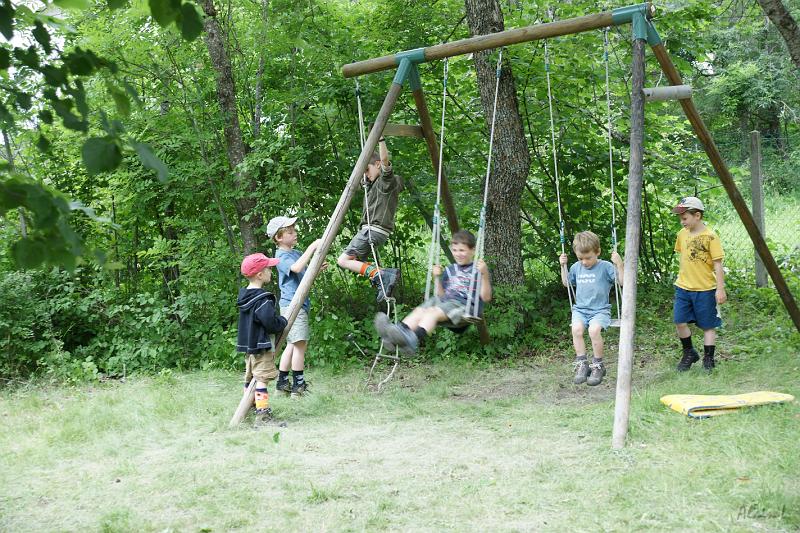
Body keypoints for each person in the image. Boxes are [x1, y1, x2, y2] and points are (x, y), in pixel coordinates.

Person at [374, 230, 492, 355]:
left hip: (463, 307)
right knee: (422, 310)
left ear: (473, 250)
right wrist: (436, 278)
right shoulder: (450, 269)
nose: (458, 254)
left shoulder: (478, 269)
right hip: (446, 304)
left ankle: (411, 340)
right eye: (455, 250)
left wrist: (484, 274)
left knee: (432, 311)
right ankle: (395, 334)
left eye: (462, 250)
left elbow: (486, 297)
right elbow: (442, 295)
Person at [337, 136, 403, 303]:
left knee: (343, 260)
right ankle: (384, 277)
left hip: (372, 230)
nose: (365, 175)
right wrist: (364, 175)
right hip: (377, 232)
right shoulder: (374, 186)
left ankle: (381, 275)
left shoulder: (386, 182)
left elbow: (386, 162)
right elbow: (358, 182)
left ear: (378, 165)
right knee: (358, 263)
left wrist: (380, 140)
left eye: (367, 170)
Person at [267, 216, 326, 398]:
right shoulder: (281, 256)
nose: (295, 234)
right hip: (292, 304)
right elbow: (296, 269)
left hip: (300, 303)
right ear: (278, 237)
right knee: (300, 345)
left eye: (295, 230)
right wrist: (313, 247)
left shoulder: (295, 252)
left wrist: (315, 270)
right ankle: (298, 387)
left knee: (292, 344)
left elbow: (303, 275)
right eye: (290, 232)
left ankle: (282, 384)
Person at [559, 231, 624, 386]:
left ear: (598, 252)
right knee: (576, 330)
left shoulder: (606, 267)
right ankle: (582, 364)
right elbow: (567, 283)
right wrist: (563, 266)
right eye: (581, 258)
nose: (584, 262)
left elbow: (622, 282)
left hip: (600, 310)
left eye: (588, 258)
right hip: (580, 310)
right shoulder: (575, 267)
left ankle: (598, 365)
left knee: (594, 331)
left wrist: (619, 264)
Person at [671, 196, 726, 372]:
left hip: (706, 289)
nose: (682, 221)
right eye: (680, 218)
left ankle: (708, 359)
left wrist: (720, 289)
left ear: (697, 215)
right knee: (680, 321)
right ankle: (689, 352)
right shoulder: (682, 235)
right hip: (683, 287)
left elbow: (718, 264)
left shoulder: (710, 237)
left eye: (684, 218)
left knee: (708, 325)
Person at [237, 253, 288, 425]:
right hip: (262, 346)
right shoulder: (263, 299)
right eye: (268, 269)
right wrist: (282, 321)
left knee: (251, 377)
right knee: (262, 380)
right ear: (260, 274)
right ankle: (262, 414)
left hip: (249, 347)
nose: (270, 271)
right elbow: (270, 323)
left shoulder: (245, 297)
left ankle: (249, 406)